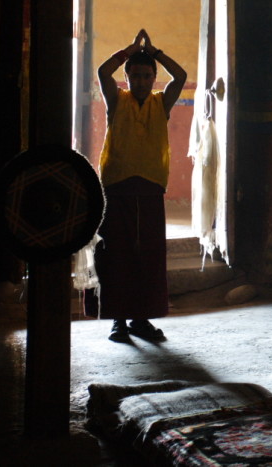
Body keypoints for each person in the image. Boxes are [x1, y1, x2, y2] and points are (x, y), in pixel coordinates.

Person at [93, 28, 186, 342]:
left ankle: (140, 320)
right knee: (117, 255)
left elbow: (181, 75)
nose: (142, 82)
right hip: (117, 187)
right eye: (136, 76)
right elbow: (103, 71)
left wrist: (155, 52)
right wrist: (130, 50)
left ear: (154, 78)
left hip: (149, 189)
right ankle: (118, 320)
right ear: (128, 78)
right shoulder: (117, 100)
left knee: (147, 256)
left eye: (148, 76)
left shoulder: (162, 103)